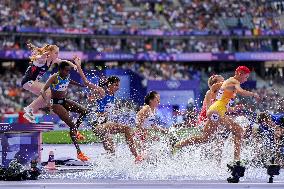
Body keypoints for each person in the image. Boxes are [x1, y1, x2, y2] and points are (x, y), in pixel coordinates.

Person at [173, 66, 260, 161]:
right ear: (215, 84)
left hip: (215, 118)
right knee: (234, 132)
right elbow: (209, 110)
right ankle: (236, 160)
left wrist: (234, 109)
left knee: (207, 139)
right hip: (205, 120)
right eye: (221, 81)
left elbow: (224, 108)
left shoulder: (224, 93)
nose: (224, 83)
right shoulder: (210, 93)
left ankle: (178, 145)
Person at [74, 57, 143, 162]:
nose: (118, 88)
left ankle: (109, 165)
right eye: (116, 85)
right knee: (127, 129)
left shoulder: (112, 96)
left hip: (103, 126)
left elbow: (108, 112)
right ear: (109, 84)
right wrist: (78, 66)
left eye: (118, 85)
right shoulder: (102, 92)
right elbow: (86, 82)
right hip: (99, 125)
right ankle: (136, 157)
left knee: (111, 151)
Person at [40, 61, 89, 161]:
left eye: (69, 70)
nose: (68, 72)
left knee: (85, 111)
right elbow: (42, 90)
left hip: (64, 101)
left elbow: (69, 81)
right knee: (71, 124)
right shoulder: (54, 77)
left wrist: (81, 85)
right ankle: (79, 153)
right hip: (56, 103)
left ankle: (76, 131)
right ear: (61, 70)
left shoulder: (66, 75)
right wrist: (47, 102)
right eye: (66, 70)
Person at [21, 43, 77, 122]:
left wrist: (74, 66)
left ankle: (30, 111)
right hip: (28, 81)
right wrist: (42, 56)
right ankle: (29, 109)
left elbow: (64, 62)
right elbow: (38, 58)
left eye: (58, 53)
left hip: (32, 82)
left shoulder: (53, 60)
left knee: (49, 96)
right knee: (48, 91)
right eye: (56, 53)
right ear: (50, 53)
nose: (57, 55)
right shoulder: (43, 59)